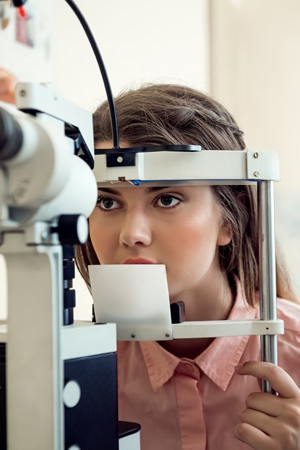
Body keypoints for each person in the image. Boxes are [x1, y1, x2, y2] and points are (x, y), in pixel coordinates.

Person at [75, 84, 300, 450]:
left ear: (230, 218)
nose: (133, 234)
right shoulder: (77, 369)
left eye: (167, 199)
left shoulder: (293, 350)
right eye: (108, 202)